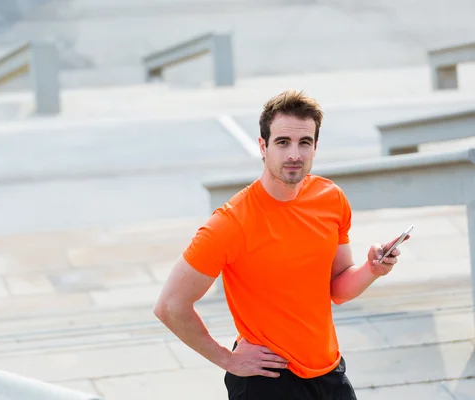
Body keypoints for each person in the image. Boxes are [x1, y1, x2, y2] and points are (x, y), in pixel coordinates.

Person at [153, 89, 409, 400]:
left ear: (315, 146)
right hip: (267, 379)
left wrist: (372, 269)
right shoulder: (231, 223)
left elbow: (337, 288)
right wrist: (227, 359)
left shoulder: (331, 199)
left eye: (304, 143)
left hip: (328, 371)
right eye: (282, 142)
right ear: (263, 146)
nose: (294, 155)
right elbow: (170, 306)